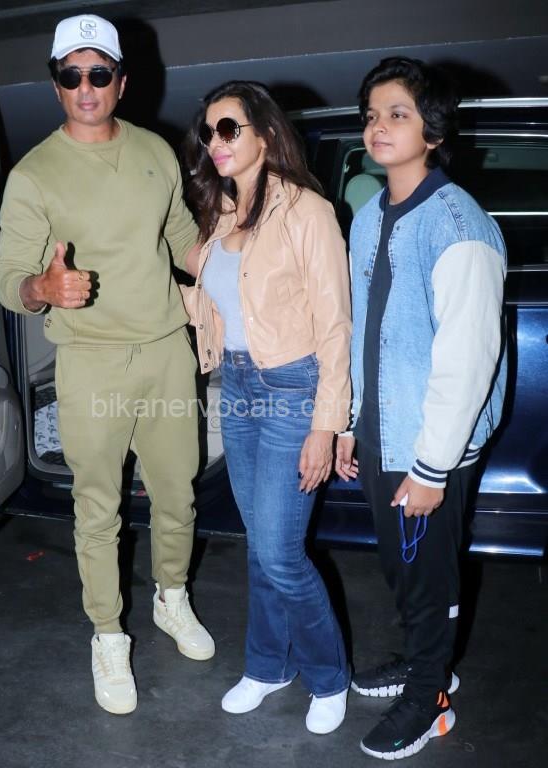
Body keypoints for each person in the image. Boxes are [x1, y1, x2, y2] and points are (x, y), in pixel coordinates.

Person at [0, 14, 214, 716]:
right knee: (98, 506)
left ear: (121, 81)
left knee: (177, 492)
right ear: (55, 84)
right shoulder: (34, 174)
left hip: (167, 350)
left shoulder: (154, 151)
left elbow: (182, 235)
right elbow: (7, 276)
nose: (85, 86)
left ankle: (171, 596)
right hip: (90, 360)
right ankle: (108, 635)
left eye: (98, 73)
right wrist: (42, 287)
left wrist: (241, 265)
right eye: (70, 74)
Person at [335, 57, 507, 759]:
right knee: (403, 569)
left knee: (429, 573)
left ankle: (431, 696)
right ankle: (423, 659)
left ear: (433, 131)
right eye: (371, 115)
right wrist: (349, 423)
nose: (378, 126)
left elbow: (467, 362)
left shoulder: (459, 226)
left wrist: (433, 468)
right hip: (382, 429)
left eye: (398, 114)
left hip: (431, 443)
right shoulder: (368, 215)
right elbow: (359, 331)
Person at [182, 81, 352, 734]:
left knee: (281, 553)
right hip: (238, 386)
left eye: (228, 128)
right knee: (258, 544)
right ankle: (266, 665)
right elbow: (211, 303)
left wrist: (325, 425)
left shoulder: (308, 211)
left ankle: (328, 675)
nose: (215, 142)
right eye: (208, 132)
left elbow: (335, 326)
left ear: (266, 134)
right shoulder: (222, 214)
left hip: (292, 389)